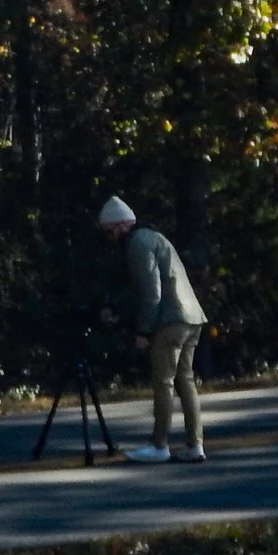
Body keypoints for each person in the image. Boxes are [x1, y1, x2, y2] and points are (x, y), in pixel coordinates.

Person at [97, 197, 208, 463]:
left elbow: (151, 292)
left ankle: (159, 445)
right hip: (192, 316)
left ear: (121, 225)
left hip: (169, 322)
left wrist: (144, 331)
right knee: (185, 381)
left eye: (110, 232)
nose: (110, 238)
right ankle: (195, 445)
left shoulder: (137, 243)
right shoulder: (155, 237)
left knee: (163, 382)